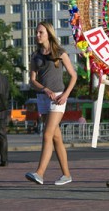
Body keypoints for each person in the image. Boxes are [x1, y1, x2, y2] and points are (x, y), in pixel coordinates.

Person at [25, 22, 77, 186]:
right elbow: (32, 80)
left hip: (58, 98)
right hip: (43, 97)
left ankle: (39, 173)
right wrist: (45, 89)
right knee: (56, 138)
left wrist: (66, 95)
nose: (37, 35)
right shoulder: (35, 56)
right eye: (36, 33)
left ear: (49, 34)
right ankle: (67, 175)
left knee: (47, 134)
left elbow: (73, 76)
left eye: (41, 32)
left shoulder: (60, 53)